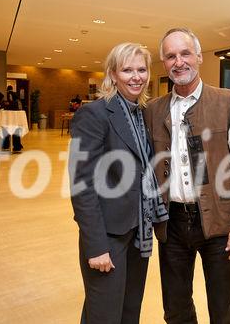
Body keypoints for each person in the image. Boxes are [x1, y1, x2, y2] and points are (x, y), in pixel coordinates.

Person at [143, 28, 230, 323]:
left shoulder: (227, 102)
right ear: (163, 62)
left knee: (223, 308)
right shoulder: (153, 110)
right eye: (170, 56)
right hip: (171, 223)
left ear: (198, 56)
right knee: (176, 307)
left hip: (219, 222)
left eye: (185, 53)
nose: (178, 62)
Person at [69, 42, 168, 324]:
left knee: (129, 311)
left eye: (142, 69)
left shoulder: (142, 114)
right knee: (104, 315)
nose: (136, 76)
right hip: (108, 236)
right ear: (112, 74)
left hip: (139, 230)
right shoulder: (94, 114)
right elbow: (81, 185)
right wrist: (96, 245)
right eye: (127, 70)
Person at [0, 87, 23, 152]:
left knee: (7, 130)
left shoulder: (12, 101)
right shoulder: (17, 100)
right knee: (14, 131)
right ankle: (16, 146)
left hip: (10, 119)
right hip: (15, 119)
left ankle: (6, 145)